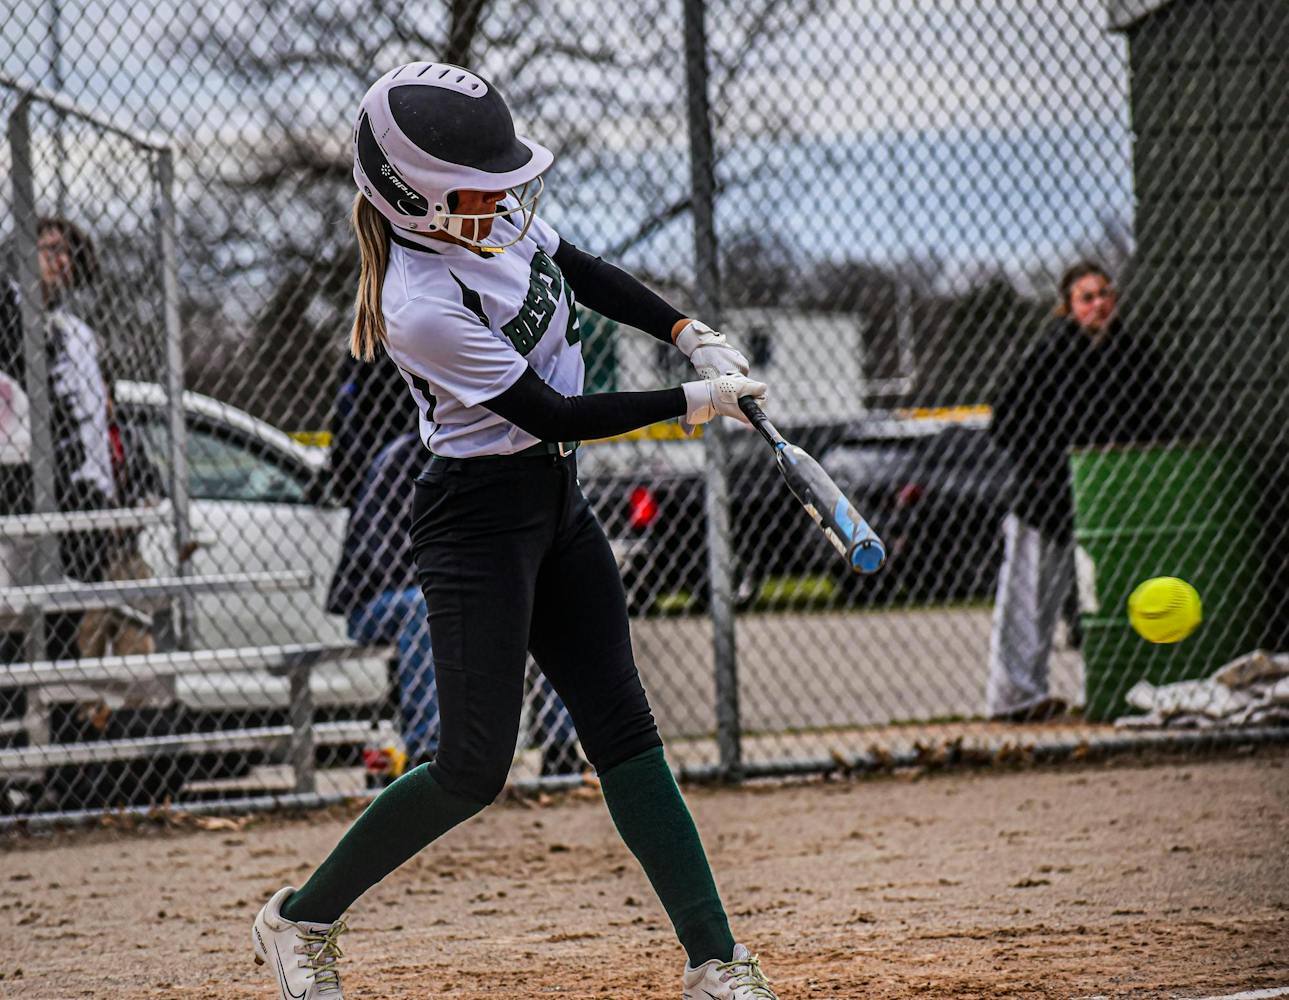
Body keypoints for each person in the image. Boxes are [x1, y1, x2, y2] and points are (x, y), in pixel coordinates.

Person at [252, 62, 778, 1000]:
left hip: (555, 503)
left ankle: (714, 962)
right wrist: (696, 401)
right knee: (471, 768)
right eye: (475, 188)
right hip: (476, 523)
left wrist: (685, 331)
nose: (500, 201)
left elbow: (580, 269)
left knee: (625, 734)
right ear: (412, 198)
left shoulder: (486, 218)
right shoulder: (419, 304)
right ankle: (300, 918)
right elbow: (549, 413)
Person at [325, 430, 583, 775]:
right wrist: (466, 581)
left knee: (547, 599)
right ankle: (426, 753)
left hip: (460, 590)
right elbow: (384, 557)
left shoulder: (490, 456)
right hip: (377, 600)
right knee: (423, 608)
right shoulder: (401, 460)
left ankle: (560, 748)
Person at [988, 261, 1174, 721]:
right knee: (1030, 598)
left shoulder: (1131, 355)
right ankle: (1016, 697)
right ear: (1068, 306)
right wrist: (1044, 468)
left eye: (1105, 294)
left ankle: (1112, 689)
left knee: (1108, 596)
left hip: (1110, 495)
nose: (1099, 304)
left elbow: (1152, 419)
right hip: (1048, 496)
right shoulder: (1050, 353)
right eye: (1086, 297)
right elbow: (1006, 420)